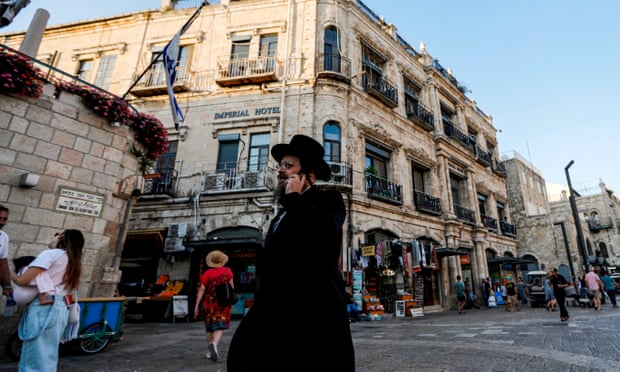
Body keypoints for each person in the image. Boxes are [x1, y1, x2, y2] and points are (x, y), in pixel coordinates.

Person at [227, 134, 355, 371]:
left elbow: (324, 233)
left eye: (288, 166)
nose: (280, 171)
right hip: (275, 304)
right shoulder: (282, 212)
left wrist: (295, 198)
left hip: (313, 308)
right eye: (280, 165)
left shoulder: (329, 200)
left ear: (307, 174)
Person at [10, 229, 84, 371]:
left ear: (61, 237)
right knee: (47, 356)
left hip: (44, 307)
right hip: (60, 308)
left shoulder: (51, 255)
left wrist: (8, 273)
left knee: (33, 358)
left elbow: (23, 281)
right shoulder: (74, 260)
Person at [193, 250, 234, 362]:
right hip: (222, 303)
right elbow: (231, 288)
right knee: (220, 326)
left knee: (210, 328)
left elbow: (201, 290)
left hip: (208, 303)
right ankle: (214, 345)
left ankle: (210, 349)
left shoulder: (207, 273)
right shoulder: (227, 271)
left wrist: (197, 305)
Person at [0, 205, 13, 298]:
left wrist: (7, 285)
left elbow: (2, 263)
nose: (1, 222)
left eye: (4, 219)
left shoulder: (3, 237)